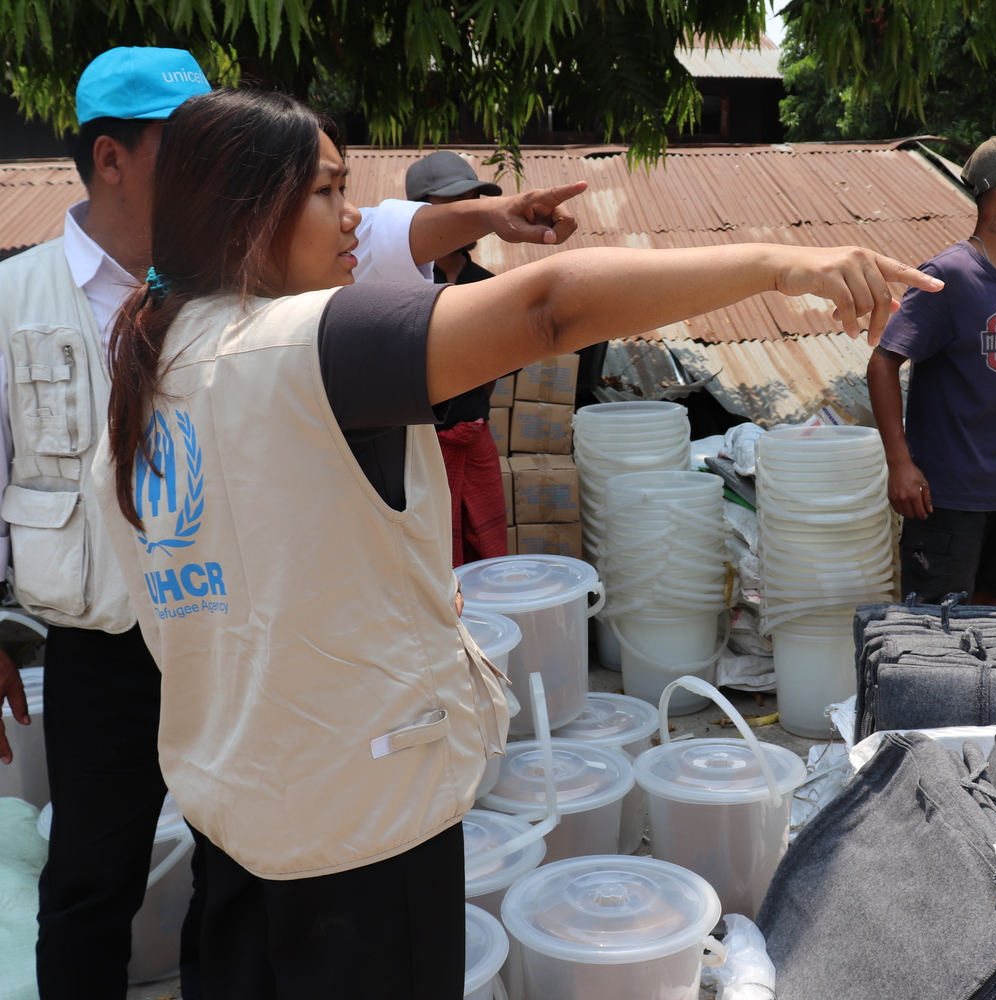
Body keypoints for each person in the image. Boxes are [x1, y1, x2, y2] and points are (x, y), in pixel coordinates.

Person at [92, 86, 938, 998]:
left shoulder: (150, 365)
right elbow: (548, 312)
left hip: (236, 816)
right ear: (248, 211)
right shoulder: (310, 343)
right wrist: (783, 263)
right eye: (329, 193)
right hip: (355, 828)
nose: (355, 222)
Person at [0, 46, 585, 1000]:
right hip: (103, 646)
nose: (216, 164)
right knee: (88, 881)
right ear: (111, 158)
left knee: (234, 855)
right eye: (188, 144)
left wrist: (484, 215)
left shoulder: (259, 279)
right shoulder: (17, 298)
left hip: (241, 635)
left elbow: (371, 230)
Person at [869, 133, 996, 607]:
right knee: (938, 634)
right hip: (950, 496)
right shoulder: (949, 276)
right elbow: (882, 363)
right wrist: (900, 461)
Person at [406, 150, 508, 565]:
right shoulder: (399, 283)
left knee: (487, 555)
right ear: (420, 211)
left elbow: (492, 371)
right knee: (430, 560)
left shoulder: (487, 286)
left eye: (474, 201)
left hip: (473, 436)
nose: (470, 213)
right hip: (416, 447)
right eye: (456, 203)